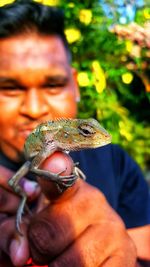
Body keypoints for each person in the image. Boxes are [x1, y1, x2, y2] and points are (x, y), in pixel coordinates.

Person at [0, 1, 149, 266]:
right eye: (9, 88)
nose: (34, 109)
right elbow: (37, 165)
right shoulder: (49, 144)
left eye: (54, 84)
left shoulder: (117, 164)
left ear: (76, 84)